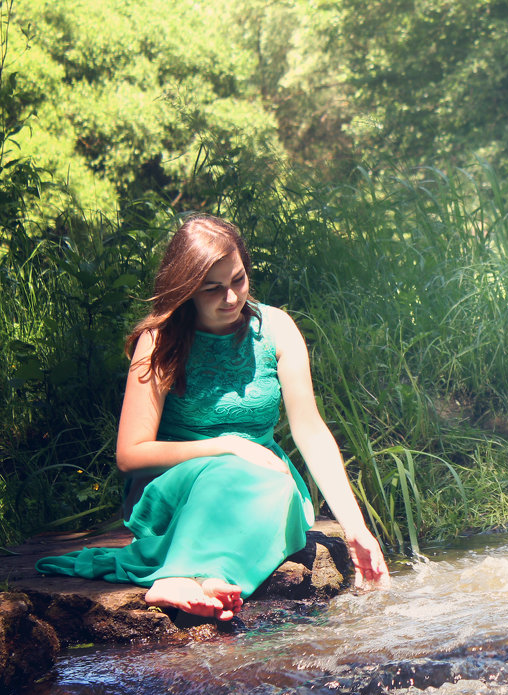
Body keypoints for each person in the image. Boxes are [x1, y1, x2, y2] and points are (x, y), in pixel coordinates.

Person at [37, 214, 389, 621]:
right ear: (185, 291)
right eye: (212, 289)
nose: (230, 298)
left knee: (278, 484)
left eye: (238, 280)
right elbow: (130, 455)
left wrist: (356, 527)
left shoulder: (278, 329)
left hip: (263, 483)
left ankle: (212, 579)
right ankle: (179, 578)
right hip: (177, 488)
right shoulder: (159, 340)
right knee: (226, 473)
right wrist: (228, 446)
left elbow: (309, 430)